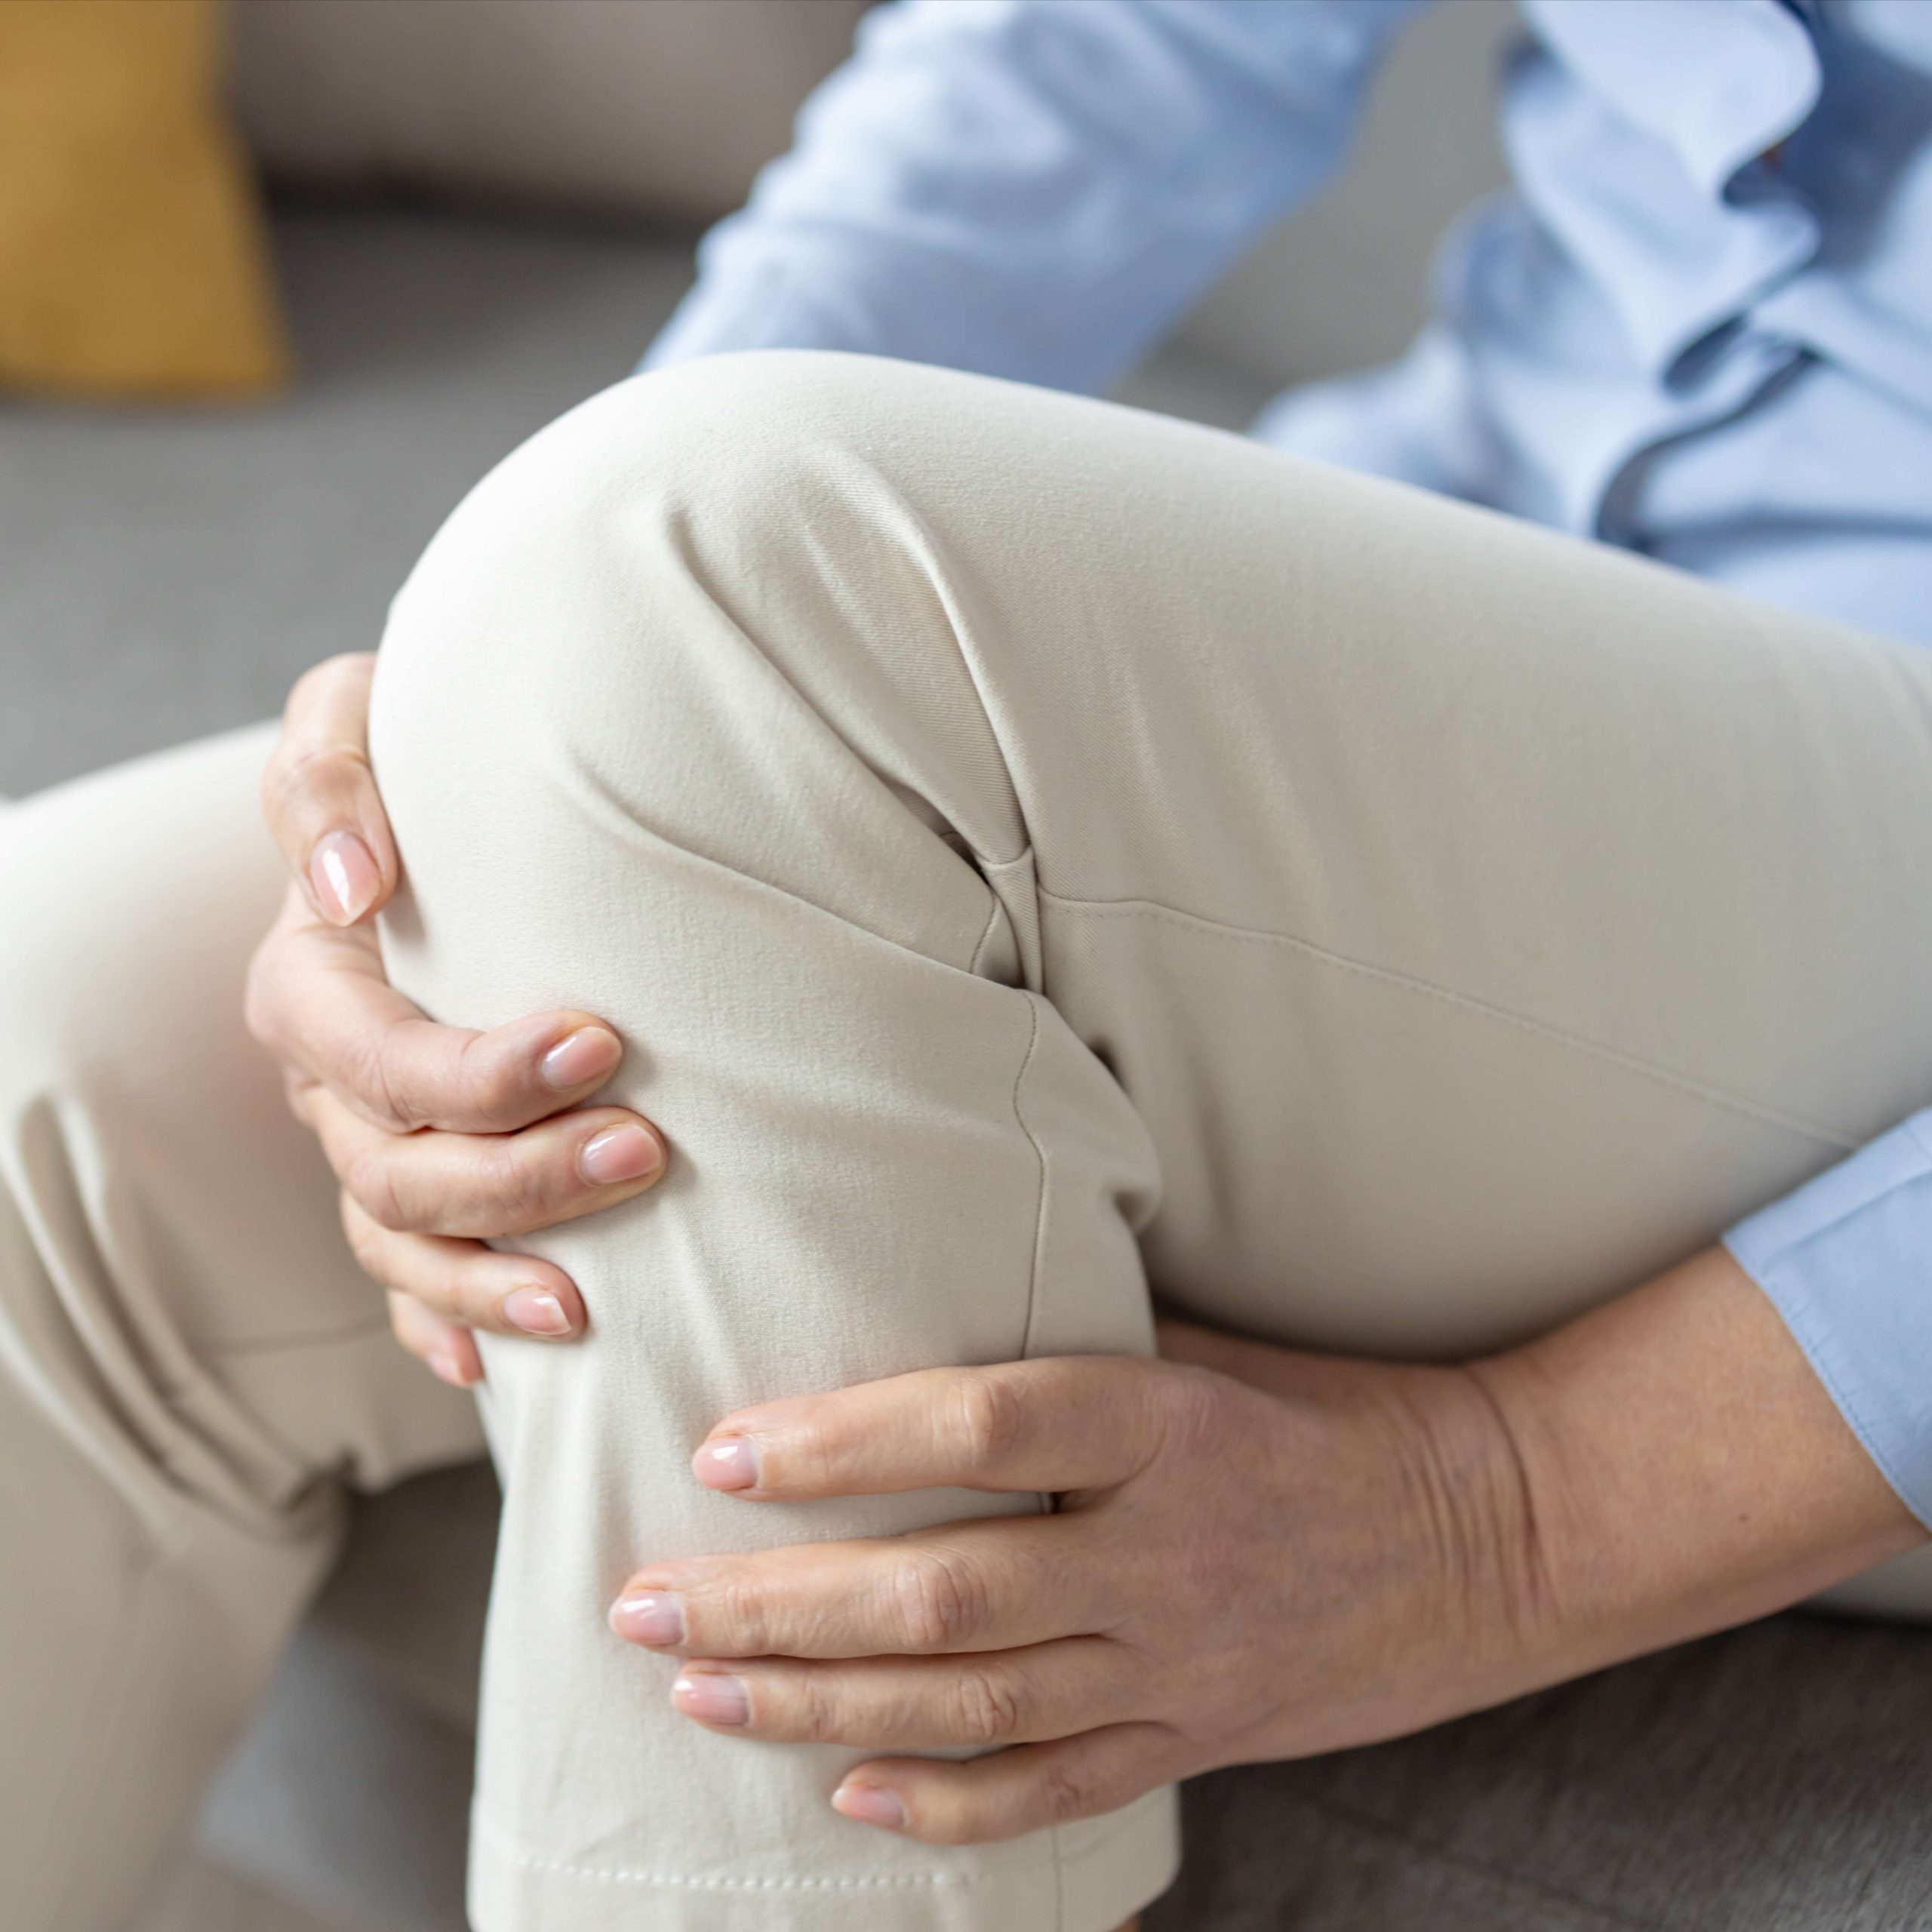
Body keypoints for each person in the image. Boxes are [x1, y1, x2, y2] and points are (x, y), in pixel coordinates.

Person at [6, 2, 1932, 1929]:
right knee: (58, 1051)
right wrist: (496, 716)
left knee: (715, 589)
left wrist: (1513, 1501)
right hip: (1495, 569)